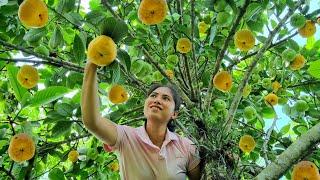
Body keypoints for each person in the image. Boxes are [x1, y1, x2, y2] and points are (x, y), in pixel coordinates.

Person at [81, 62, 201, 180]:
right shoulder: (125, 137)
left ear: (174, 114)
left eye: (165, 98)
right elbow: (92, 122)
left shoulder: (186, 146)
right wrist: (91, 65)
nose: (157, 100)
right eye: (153, 96)